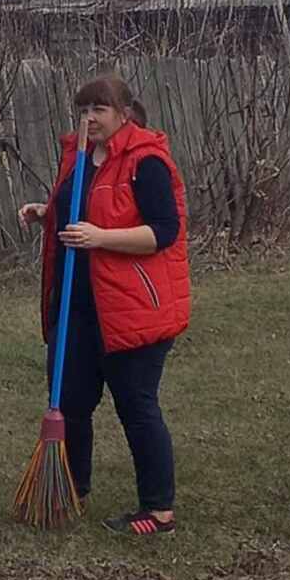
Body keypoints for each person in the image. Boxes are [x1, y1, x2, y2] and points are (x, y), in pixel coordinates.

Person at [18, 75, 190, 535]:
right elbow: (78, 211)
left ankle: (158, 510)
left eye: (100, 109)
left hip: (132, 307)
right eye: (84, 109)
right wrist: (45, 212)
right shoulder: (78, 157)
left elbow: (163, 232)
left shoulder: (145, 162)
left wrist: (100, 238)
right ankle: (72, 488)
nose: (90, 118)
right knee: (70, 403)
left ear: (124, 113)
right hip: (77, 305)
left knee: (137, 406)